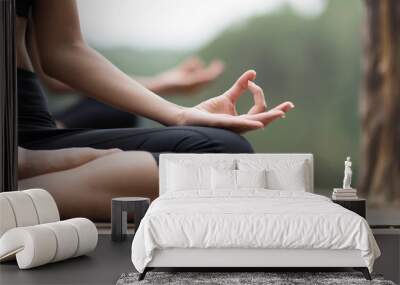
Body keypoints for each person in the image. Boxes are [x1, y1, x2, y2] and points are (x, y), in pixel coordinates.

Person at [16, 0, 294, 220]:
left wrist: (181, 115)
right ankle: (15, 196)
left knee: (224, 153)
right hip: (16, 149)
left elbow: (63, 51)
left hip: (33, 124)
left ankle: (21, 195)